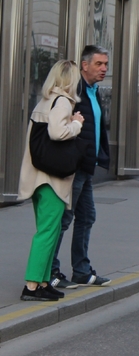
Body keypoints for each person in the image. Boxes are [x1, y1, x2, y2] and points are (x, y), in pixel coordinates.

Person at [17, 60, 85, 301]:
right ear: (70, 80)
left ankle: (44, 282)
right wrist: (76, 124)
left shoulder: (44, 101)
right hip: (51, 180)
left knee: (50, 231)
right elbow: (57, 133)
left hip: (37, 178)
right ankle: (32, 285)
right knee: (47, 233)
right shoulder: (63, 101)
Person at [49, 45, 111, 289]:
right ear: (84, 65)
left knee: (87, 216)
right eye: (99, 64)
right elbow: (62, 128)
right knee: (64, 218)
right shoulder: (73, 91)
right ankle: (51, 271)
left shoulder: (94, 91)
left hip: (87, 166)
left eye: (106, 64)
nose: (104, 68)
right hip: (74, 167)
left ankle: (82, 271)